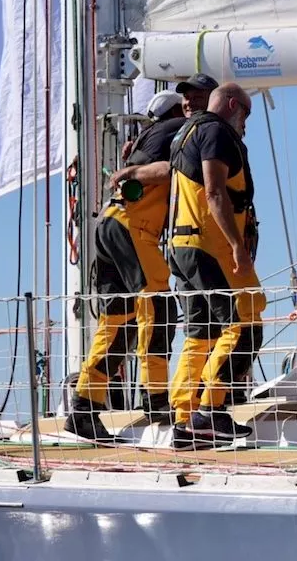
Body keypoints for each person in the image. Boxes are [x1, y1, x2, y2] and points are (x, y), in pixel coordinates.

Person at [66, 91, 186, 441]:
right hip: (134, 228)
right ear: (177, 111)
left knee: (117, 320)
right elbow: (170, 168)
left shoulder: (148, 137)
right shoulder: (177, 129)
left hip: (110, 225)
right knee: (158, 304)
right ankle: (156, 397)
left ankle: (84, 408)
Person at [166, 83, 266, 450]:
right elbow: (214, 191)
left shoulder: (185, 133)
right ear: (234, 105)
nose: (246, 125)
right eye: (247, 115)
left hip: (181, 244)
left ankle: (186, 418)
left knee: (201, 333)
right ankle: (211, 411)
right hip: (210, 244)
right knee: (246, 319)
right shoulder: (216, 131)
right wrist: (238, 245)